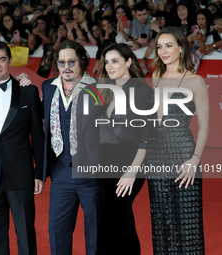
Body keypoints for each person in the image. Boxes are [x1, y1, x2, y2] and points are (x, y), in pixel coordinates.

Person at [0, 40, 44, 255]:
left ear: (10, 61)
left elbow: (37, 136)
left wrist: (39, 172)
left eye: (1, 59)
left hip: (21, 174)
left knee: (25, 233)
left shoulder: (28, 92)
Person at [147, 26, 209, 254]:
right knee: (163, 223)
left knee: (187, 223)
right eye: (160, 46)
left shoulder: (195, 81)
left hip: (184, 155)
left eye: (169, 45)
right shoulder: (155, 76)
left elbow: (204, 125)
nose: (163, 51)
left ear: (181, 47)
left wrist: (195, 159)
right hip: (156, 158)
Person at [42, 39, 102, 255]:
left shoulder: (98, 89)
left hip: (91, 175)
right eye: (61, 62)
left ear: (83, 62)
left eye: (71, 62)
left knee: (96, 237)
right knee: (57, 234)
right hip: (60, 173)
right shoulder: (48, 88)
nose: (66, 67)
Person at [96, 43, 153, 255]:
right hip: (105, 162)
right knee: (116, 216)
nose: (109, 66)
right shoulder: (104, 89)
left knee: (114, 215)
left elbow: (147, 136)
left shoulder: (141, 91)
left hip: (130, 162)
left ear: (129, 61)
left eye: (115, 61)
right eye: (107, 61)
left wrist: (132, 171)